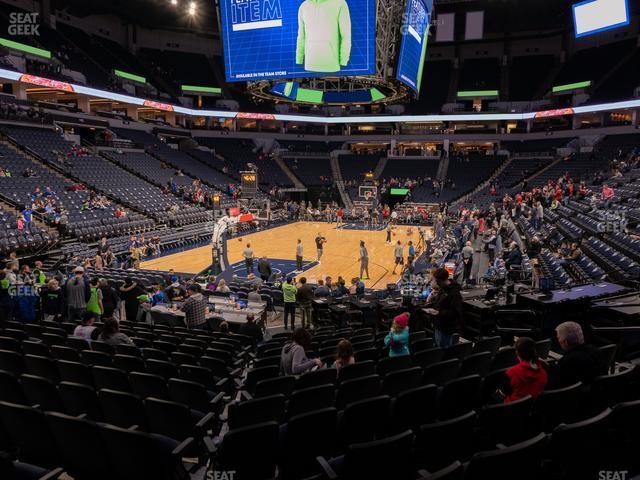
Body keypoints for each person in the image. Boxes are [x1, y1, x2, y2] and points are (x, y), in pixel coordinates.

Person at [550, 321, 607, 387]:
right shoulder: (596, 351)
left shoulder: (568, 360)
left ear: (565, 342)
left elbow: (557, 383)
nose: (558, 340)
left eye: (558, 338)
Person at [501, 337, 548, 403]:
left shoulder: (512, 373)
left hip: (510, 409)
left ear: (517, 353)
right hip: (531, 409)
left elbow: (503, 394)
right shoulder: (543, 373)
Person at [425, 268, 463, 347]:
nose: (436, 283)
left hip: (447, 329)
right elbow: (438, 303)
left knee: (444, 350)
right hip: (439, 325)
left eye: (437, 281)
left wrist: (439, 313)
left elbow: (455, 313)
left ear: (441, 280)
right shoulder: (443, 289)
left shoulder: (455, 293)